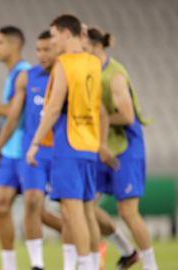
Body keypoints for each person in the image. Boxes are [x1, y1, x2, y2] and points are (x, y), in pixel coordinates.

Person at [25, 14, 118, 270]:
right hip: (89, 144)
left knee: (72, 212)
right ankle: (91, 264)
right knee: (87, 212)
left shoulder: (64, 63)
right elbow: (98, 106)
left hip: (68, 144)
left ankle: (86, 266)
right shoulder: (92, 62)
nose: (51, 40)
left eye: (53, 35)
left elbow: (54, 108)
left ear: (66, 34)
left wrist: (34, 143)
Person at [0, 30, 62, 270]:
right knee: (1, 205)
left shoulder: (26, 73)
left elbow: (12, 115)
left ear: (14, 44)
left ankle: (83, 238)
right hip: (11, 150)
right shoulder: (16, 74)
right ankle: (9, 265)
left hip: (25, 150)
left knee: (35, 209)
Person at [83, 26, 158, 270]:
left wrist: (93, 121)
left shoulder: (114, 75)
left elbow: (126, 115)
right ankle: (127, 250)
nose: (81, 54)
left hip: (125, 148)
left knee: (127, 212)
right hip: (101, 147)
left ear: (98, 48)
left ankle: (151, 265)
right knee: (81, 205)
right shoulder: (88, 72)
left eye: (85, 50)